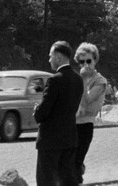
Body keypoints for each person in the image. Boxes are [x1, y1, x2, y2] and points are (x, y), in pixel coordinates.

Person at [34, 40, 84, 186]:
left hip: (50, 141)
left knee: (46, 180)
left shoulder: (54, 80)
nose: (49, 60)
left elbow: (43, 112)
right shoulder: (78, 79)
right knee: (68, 180)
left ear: (58, 57)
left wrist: (36, 110)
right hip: (69, 138)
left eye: (50, 56)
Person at [74, 42, 107, 184]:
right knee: (68, 163)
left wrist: (83, 79)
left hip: (85, 125)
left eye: (88, 61)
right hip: (72, 124)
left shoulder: (100, 81)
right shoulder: (77, 78)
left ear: (95, 60)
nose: (85, 65)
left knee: (75, 162)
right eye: (81, 62)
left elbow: (86, 101)